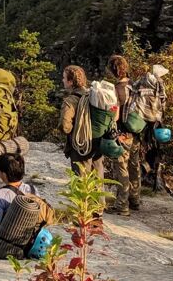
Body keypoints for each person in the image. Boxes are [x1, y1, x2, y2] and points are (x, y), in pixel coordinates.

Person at [105, 54, 140, 216]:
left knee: (121, 167)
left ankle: (122, 204)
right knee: (134, 165)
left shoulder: (117, 89)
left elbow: (116, 116)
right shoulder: (135, 85)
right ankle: (135, 199)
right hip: (136, 132)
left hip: (122, 133)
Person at [59, 65, 104, 180]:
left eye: (64, 78)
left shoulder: (70, 101)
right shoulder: (93, 96)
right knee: (97, 181)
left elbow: (65, 126)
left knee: (81, 181)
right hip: (97, 145)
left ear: (70, 82)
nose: (62, 80)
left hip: (80, 147)